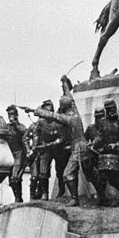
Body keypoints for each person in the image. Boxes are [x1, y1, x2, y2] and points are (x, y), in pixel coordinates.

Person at [29, 76, 93, 207]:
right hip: (81, 146)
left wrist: (35, 111)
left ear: (63, 107)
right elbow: (69, 97)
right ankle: (94, 195)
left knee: (68, 174)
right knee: (88, 174)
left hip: (78, 148)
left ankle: (75, 198)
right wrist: (64, 83)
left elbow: (53, 115)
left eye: (60, 106)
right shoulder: (74, 110)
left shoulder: (69, 118)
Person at [91, 99, 119, 207]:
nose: (111, 111)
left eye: (113, 108)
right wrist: (93, 143)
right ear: (106, 110)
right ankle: (104, 199)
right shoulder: (103, 122)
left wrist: (118, 144)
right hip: (108, 153)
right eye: (109, 109)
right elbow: (100, 136)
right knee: (109, 178)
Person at [4, 105, 28, 202]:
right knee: (11, 181)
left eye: (13, 114)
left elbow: (25, 132)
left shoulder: (20, 126)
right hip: (9, 155)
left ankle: (18, 198)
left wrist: (15, 124)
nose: (11, 116)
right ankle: (17, 197)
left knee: (15, 177)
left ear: (17, 115)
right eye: (9, 114)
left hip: (19, 154)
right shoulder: (6, 127)